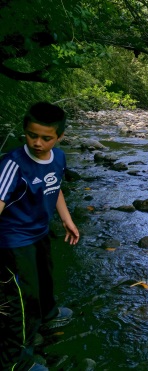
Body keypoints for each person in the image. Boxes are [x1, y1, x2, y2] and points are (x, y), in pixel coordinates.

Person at [0, 102, 80, 371]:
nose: (37, 143)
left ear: (59, 137)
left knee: (45, 277)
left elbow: (54, 186)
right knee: (21, 300)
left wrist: (67, 220)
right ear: (24, 131)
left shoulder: (58, 157)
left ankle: (47, 315)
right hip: (12, 242)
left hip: (40, 232)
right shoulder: (12, 164)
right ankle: (14, 361)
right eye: (32, 135)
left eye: (46, 138)